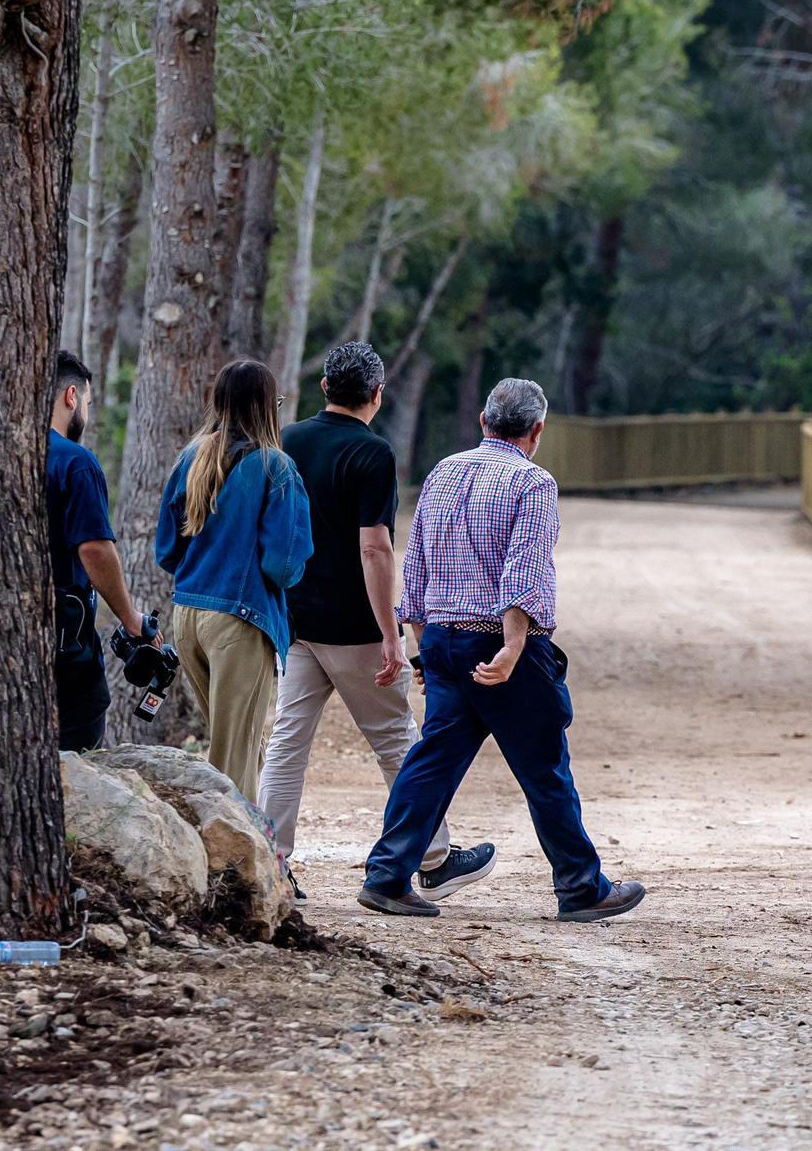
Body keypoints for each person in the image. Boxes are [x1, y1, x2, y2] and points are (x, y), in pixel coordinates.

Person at [357, 377, 644, 921]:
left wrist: (425, 648)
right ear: (536, 431)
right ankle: (581, 887)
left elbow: (414, 566)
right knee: (544, 766)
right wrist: (513, 646)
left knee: (435, 758)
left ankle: (388, 875)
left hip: (443, 638)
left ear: (484, 422)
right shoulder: (532, 483)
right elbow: (524, 571)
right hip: (501, 647)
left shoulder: (443, 472)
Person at [257, 341, 495, 903]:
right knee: (397, 741)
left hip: (295, 619)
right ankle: (433, 859)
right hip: (353, 625)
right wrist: (392, 632)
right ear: (377, 394)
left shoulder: (286, 442)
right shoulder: (372, 454)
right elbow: (375, 549)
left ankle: (269, 861)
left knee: (287, 743)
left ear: (324, 388)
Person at [155, 360, 314, 798]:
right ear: (267, 406)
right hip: (239, 621)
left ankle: (249, 847)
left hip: (188, 616)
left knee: (237, 746)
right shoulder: (275, 468)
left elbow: (168, 551)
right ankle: (239, 863)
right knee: (234, 755)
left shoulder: (190, 458)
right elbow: (283, 565)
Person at [46, 351, 152, 751]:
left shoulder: (3, 451)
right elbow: (94, 549)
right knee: (81, 737)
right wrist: (131, 618)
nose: (85, 415)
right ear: (71, 396)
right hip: (66, 638)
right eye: (87, 404)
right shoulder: (76, 463)